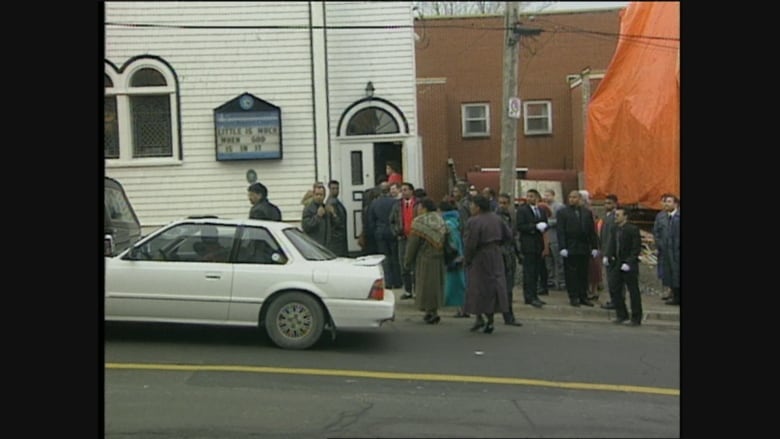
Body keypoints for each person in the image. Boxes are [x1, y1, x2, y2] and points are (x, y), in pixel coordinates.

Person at [463, 195, 512, 334]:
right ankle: (489, 319)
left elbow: (470, 244)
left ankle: (480, 317)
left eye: (472, 206)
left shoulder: (474, 221)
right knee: (494, 286)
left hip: (480, 257)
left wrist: (467, 259)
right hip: (496, 255)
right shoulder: (497, 218)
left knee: (477, 287)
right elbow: (508, 235)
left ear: (478, 207)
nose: (471, 208)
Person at [404, 197, 446, 324]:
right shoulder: (439, 219)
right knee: (437, 285)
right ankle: (434, 310)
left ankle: (430, 311)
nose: (417, 210)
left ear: (424, 208)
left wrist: (407, 260)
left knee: (426, 285)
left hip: (425, 257)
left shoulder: (419, 222)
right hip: (439, 257)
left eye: (419, 207)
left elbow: (413, 244)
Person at [557, 190, 599, 307]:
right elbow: (560, 231)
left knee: (583, 273)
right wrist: (562, 247)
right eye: (570, 197)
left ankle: (583, 296)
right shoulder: (562, 212)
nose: (572, 199)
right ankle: (573, 296)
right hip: (570, 247)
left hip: (583, 247)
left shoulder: (586, 212)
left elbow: (591, 231)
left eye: (574, 197)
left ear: (579, 199)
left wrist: (594, 246)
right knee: (571, 273)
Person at [603, 207, 644, 325]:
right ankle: (621, 314)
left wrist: (629, 262)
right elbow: (611, 243)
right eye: (615, 215)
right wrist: (607, 255)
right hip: (617, 262)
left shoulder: (632, 229)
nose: (615, 217)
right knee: (614, 288)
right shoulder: (614, 228)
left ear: (625, 216)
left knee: (633, 291)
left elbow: (636, 248)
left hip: (628, 264)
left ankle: (636, 317)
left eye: (618, 215)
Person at [516, 189, 547, 309]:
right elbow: (520, 226)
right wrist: (534, 227)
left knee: (536, 272)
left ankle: (535, 295)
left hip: (538, 245)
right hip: (528, 245)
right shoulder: (522, 210)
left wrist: (545, 226)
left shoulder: (541, 210)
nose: (530, 198)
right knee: (529, 272)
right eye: (528, 196)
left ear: (537, 198)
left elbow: (544, 223)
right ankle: (529, 297)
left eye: (532, 196)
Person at [367, 182, 402, 289]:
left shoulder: (374, 203)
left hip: (380, 232)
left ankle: (388, 281)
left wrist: (375, 231)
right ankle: (397, 281)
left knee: (384, 258)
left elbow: (371, 220)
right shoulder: (395, 202)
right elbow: (398, 218)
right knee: (395, 257)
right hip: (392, 232)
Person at [496, 192, 523, 326]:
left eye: (504, 203)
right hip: (497, 256)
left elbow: (515, 238)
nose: (502, 206)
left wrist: (519, 254)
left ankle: (509, 315)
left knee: (508, 288)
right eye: (500, 203)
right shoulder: (494, 218)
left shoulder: (512, 217)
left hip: (509, 255)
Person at [439, 199, 468, 318]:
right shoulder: (456, 221)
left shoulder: (447, 224)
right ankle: (463, 308)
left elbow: (452, 242)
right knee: (461, 282)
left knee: (456, 284)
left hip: (454, 257)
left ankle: (462, 309)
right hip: (460, 254)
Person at [389, 182, 418, 299]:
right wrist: (396, 231)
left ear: (411, 191)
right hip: (402, 238)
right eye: (403, 190)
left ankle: (417, 290)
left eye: (406, 190)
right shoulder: (397, 205)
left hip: (415, 237)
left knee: (415, 264)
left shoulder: (417, 204)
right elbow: (391, 220)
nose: (404, 192)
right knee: (404, 264)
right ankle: (407, 290)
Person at [653, 193, 680, 305]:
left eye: (669, 202)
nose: (667, 204)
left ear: (675, 204)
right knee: (669, 274)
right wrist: (660, 244)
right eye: (666, 202)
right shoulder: (661, 216)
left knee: (677, 273)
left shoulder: (678, 217)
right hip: (665, 251)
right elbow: (656, 232)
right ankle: (674, 295)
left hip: (677, 251)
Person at [599, 194, 620, 310]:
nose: (606, 205)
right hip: (605, 251)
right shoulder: (606, 216)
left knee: (614, 279)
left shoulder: (614, 217)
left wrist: (608, 253)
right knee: (610, 279)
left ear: (615, 204)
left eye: (609, 203)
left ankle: (616, 301)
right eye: (605, 203)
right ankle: (614, 300)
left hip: (612, 253)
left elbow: (612, 237)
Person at [542, 189, 565, 290]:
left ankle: (562, 282)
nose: (546, 197)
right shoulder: (542, 207)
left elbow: (561, 221)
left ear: (553, 195)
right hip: (546, 238)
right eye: (545, 195)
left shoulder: (559, 207)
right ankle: (550, 281)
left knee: (559, 261)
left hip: (556, 237)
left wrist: (548, 222)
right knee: (548, 261)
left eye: (548, 195)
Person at [325, 180, 349, 256]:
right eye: (333, 188)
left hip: (341, 237)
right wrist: (334, 214)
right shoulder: (331, 203)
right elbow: (335, 222)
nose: (335, 190)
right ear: (329, 189)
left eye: (337, 188)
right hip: (336, 239)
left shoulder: (336, 201)